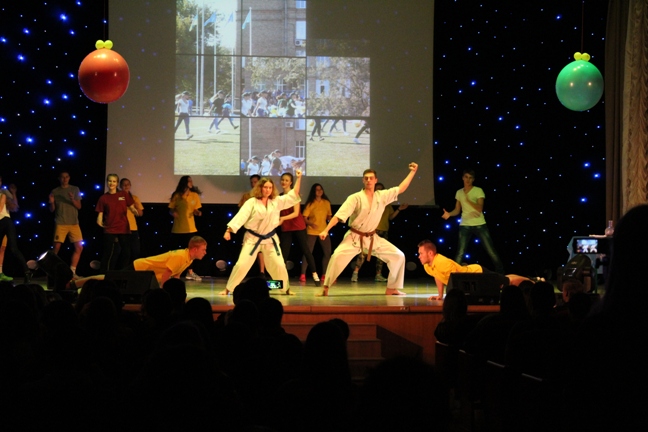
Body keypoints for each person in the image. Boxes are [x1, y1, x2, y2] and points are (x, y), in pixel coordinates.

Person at [317, 163, 419, 296]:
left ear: (376, 180)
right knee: (336, 256)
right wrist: (326, 230)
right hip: (354, 237)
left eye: (371, 178)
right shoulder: (355, 198)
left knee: (398, 256)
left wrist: (413, 172)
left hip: (372, 238)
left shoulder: (382, 196)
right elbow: (339, 215)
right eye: (366, 178)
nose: (369, 180)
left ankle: (392, 288)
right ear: (363, 180)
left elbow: (401, 188)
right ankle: (326, 288)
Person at [221, 170, 304, 295]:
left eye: (270, 187)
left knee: (279, 265)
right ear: (260, 188)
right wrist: (228, 230)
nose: (268, 190)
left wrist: (299, 178)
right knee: (241, 264)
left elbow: (293, 195)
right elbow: (240, 217)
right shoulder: (251, 202)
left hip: (270, 239)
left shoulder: (276, 201)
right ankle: (229, 289)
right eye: (265, 187)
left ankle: (285, 288)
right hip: (252, 238)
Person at [70, 236, 208, 290]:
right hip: (140, 268)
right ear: (194, 249)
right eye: (203, 249)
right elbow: (167, 274)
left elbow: (175, 276)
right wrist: (164, 291)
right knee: (108, 279)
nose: (205, 252)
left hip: (145, 274)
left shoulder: (188, 259)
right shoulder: (180, 256)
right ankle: (76, 284)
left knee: (112, 281)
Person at [417, 239, 532, 301]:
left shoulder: (442, 262)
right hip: (473, 280)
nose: (419, 256)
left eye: (421, 253)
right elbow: (438, 276)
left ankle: (532, 282)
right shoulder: (427, 265)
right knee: (504, 280)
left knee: (507, 282)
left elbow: (459, 278)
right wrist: (440, 295)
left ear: (430, 253)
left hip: (478, 274)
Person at [442, 169, 504, 273]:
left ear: (473, 180)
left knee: (490, 250)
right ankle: (454, 276)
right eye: (466, 177)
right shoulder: (459, 192)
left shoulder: (478, 190)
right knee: (460, 252)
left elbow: (479, 208)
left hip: (479, 224)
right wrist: (449, 214)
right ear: (463, 178)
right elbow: (457, 210)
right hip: (465, 225)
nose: (468, 180)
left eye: (470, 178)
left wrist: (468, 200)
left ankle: (501, 274)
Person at [350, 182, 408, 282]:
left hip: (384, 231)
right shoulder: (369, 202)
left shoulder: (387, 204)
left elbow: (391, 217)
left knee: (381, 255)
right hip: (372, 231)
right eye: (377, 188)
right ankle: (355, 273)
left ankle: (378, 274)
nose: (379, 190)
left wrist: (399, 209)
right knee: (364, 252)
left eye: (381, 189)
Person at [278, 173, 320, 286]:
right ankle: (281, 277)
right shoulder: (279, 197)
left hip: (298, 225)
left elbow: (296, 213)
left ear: (291, 182)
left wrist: (283, 218)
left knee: (306, 250)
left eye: (287, 180)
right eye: (282, 180)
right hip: (286, 227)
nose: (284, 182)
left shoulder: (294, 195)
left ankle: (315, 275)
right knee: (284, 252)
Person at [95, 173, 139, 273]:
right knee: (108, 253)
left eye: (114, 181)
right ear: (107, 182)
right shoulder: (103, 198)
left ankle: (122, 273)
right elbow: (100, 212)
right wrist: (99, 219)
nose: (112, 183)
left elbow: (131, 206)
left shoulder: (123, 194)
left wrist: (133, 210)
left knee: (126, 252)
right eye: (110, 181)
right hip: (110, 228)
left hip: (123, 227)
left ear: (117, 183)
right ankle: (105, 274)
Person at [48, 171, 84, 278]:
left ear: (69, 178)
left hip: (74, 223)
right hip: (61, 223)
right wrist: (51, 202)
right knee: (56, 248)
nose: (65, 179)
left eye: (66, 177)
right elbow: (52, 210)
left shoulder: (75, 189)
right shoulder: (55, 191)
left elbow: (79, 206)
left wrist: (72, 199)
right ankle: (51, 272)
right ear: (59, 178)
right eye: (62, 177)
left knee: (79, 247)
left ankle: (72, 272)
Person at [169, 176, 203, 280]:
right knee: (176, 253)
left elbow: (196, 209)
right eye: (189, 181)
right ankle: (174, 272)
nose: (191, 182)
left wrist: (197, 212)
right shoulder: (177, 195)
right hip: (178, 228)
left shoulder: (194, 195)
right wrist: (173, 213)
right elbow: (171, 209)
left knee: (191, 252)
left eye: (191, 181)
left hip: (190, 229)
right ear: (184, 182)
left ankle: (190, 272)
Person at [0, 176, 31, 283]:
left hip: (5, 222)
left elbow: (12, 207)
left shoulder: (3, 194)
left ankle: (27, 272)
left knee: (13, 248)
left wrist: (13, 193)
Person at [302, 183, 333, 283]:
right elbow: (304, 218)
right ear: (313, 191)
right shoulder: (310, 203)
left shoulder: (326, 202)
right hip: (311, 231)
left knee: (327, 253)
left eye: (321, 189)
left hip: (324, 230)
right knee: (308, 252)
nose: (319, 191)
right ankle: (303, 274)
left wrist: (333, 219)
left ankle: (324, 274)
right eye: (317, 190)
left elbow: (328, 216)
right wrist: (311, 223)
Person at [120, 178, 144, 262]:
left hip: (133, 228)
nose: (126, 186)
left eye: (128, 184)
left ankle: (133, 269)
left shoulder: (134, 198)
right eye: (124, 184)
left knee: (136, 252)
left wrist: (136, 207)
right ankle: (123, 269)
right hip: (121, 228)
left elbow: (140, 214)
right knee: (125, 253)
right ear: (120, 186)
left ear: (130, 186)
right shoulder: (117, 198)